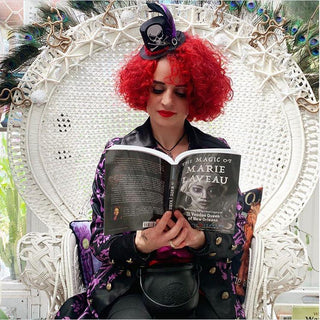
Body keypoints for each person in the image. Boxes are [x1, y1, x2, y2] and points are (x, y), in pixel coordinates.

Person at [55, 2, 246, 319]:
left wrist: (199, 239)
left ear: (197, 96)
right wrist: (141, 242)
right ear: (143, 89)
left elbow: (236, 239)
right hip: (130, 286)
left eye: (180, 91)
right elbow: (101, 243)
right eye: (158, 89)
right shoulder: (118, 152)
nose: (167, 100)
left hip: (202, 285)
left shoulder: (217, 151)